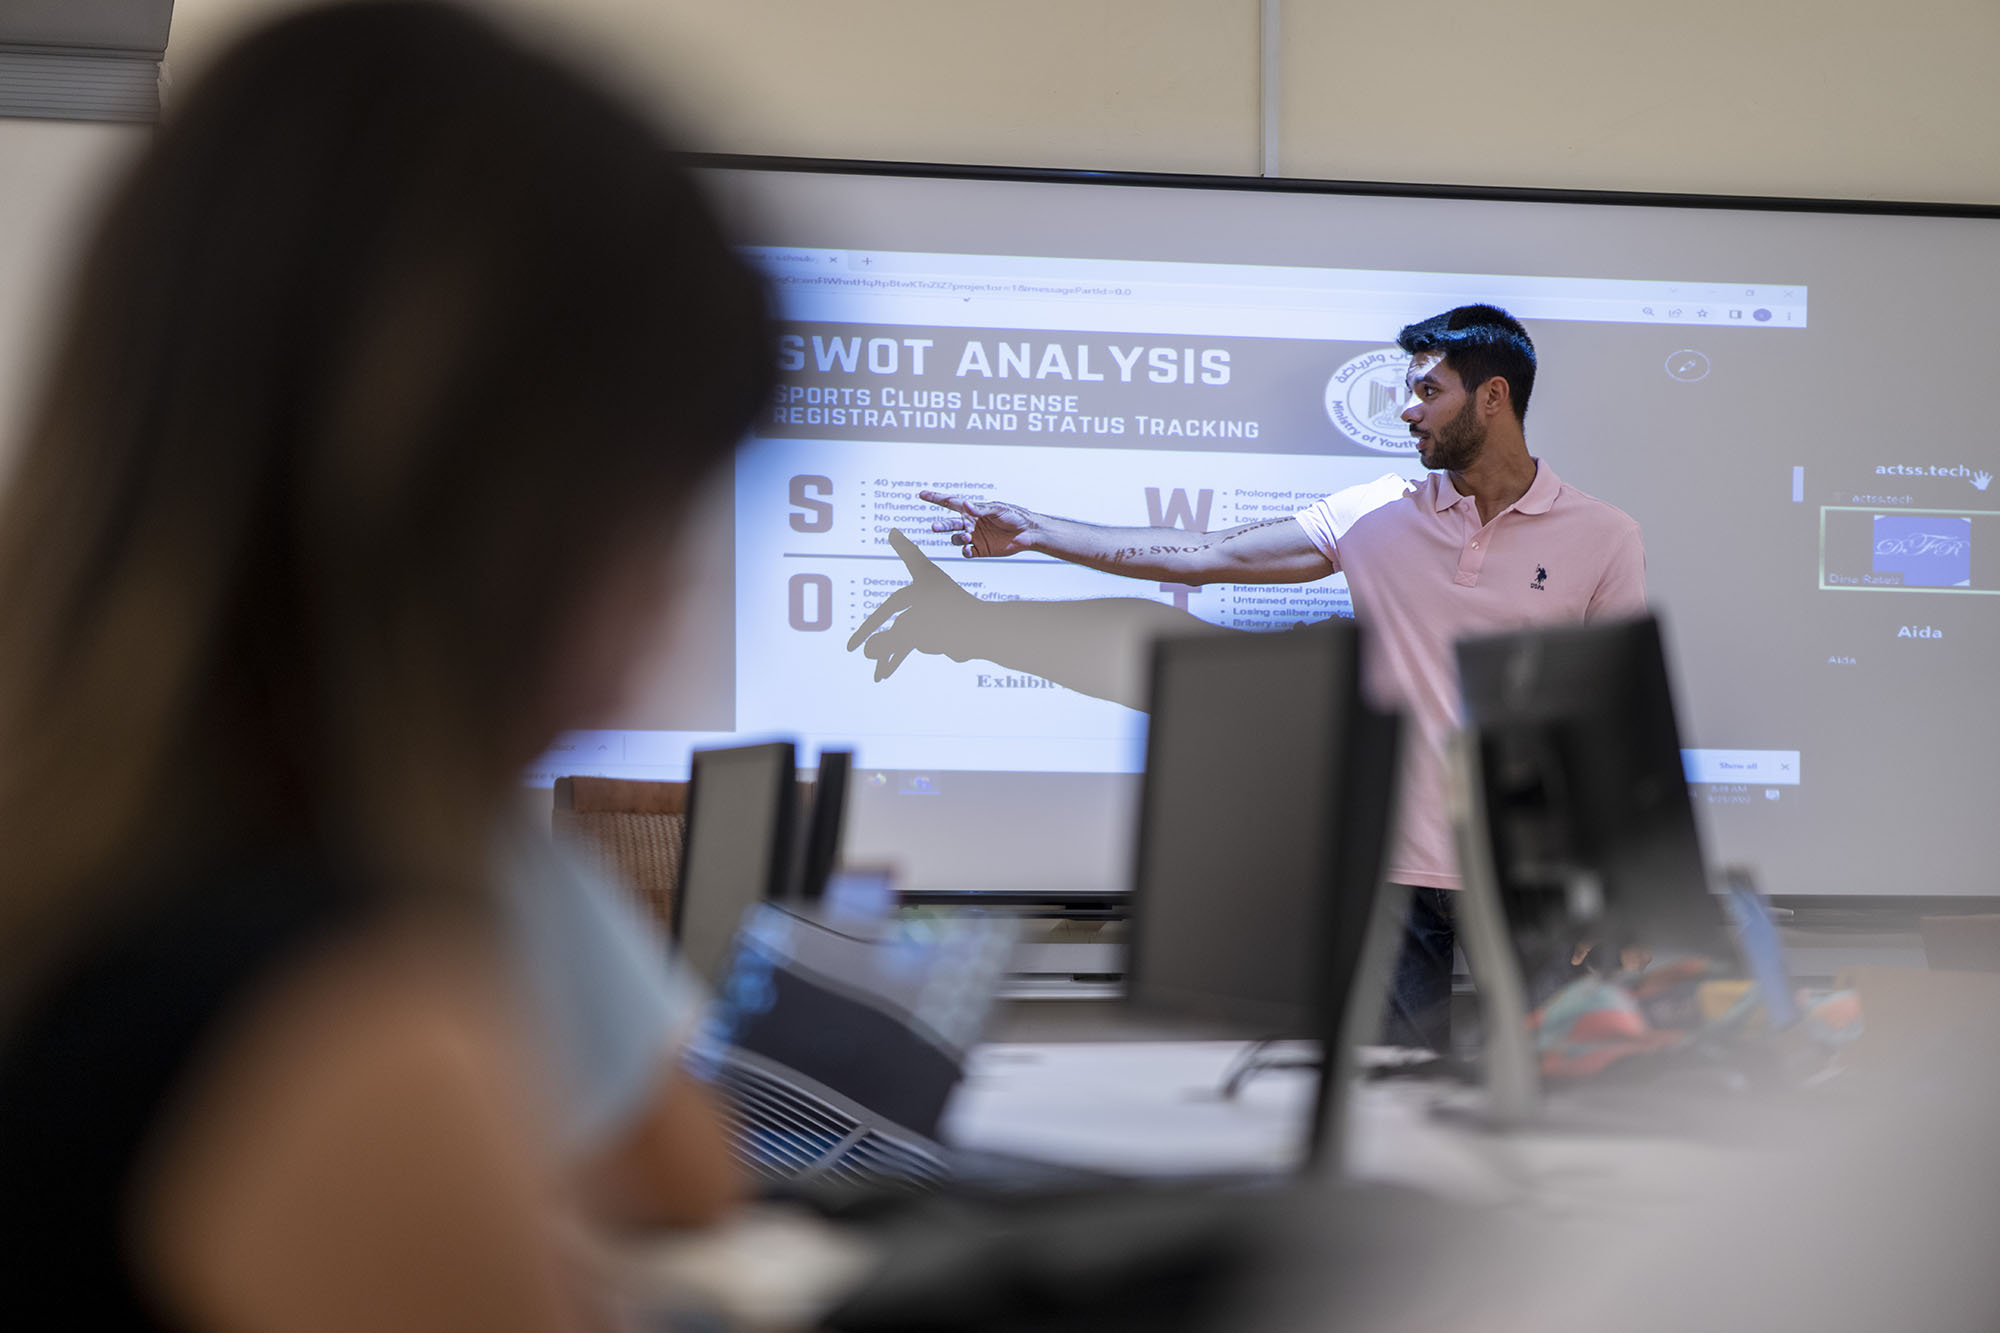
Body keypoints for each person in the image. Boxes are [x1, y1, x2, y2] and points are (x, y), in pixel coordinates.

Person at [0, 4, 772, 1329]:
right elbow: (689, 1177)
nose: (661, 651)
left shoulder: (83, 907)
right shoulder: (340, 1030)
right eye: (648, 537)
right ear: (481, 514)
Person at [920, 305, 1646, 1050]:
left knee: (1550, 1099)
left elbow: (1614, 727)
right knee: (1384, 1102)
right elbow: (1205, 556)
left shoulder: (1603, 535)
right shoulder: (1372, 514)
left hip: (1532, 880)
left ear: (1493, 397)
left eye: (1428, 391)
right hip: (1387, 880)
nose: (1407, 408)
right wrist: (1040, 532)